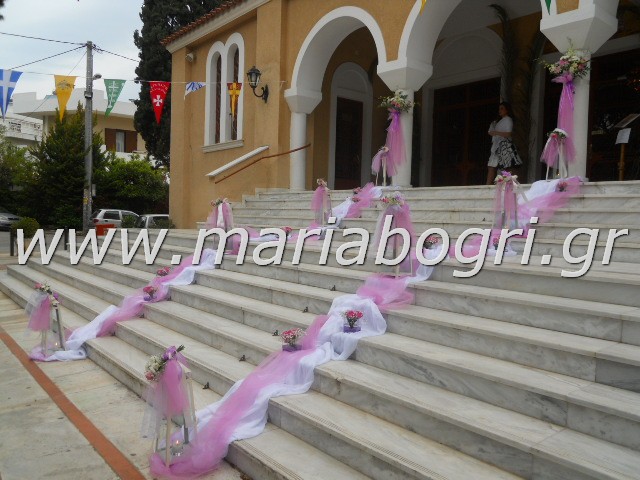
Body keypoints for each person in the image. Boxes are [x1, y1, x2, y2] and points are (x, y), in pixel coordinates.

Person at [486, 102, 522, 184]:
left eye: (502, 108)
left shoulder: (508, 120)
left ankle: (507, 185)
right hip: (496, 146)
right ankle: (487, 186)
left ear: (507, 110)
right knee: (492, 166)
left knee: (506, 167)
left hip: (503, 147)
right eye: (499, 109)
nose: (500, 110)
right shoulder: (498, 121)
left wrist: (496, 133)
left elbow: (508, 134)